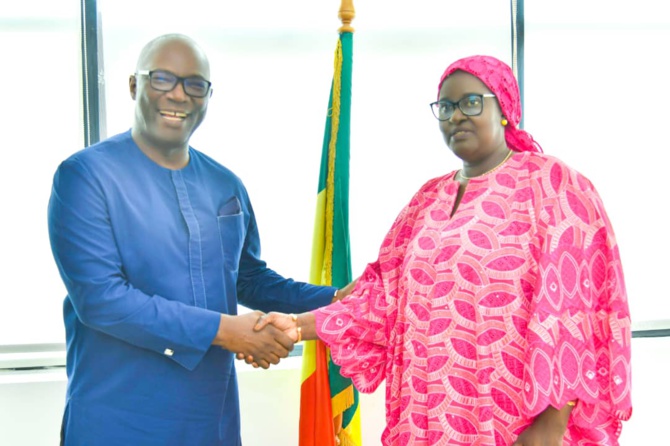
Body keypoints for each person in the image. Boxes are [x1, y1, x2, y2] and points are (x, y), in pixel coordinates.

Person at [251, 55, 633, 445]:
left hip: (511, 420)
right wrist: (298, 326)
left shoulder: (552, 184)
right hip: (428, 411)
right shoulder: (427, 198)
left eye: (471, 102)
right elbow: (380, 298)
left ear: (504, 107)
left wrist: (548, 429)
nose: (456, 116)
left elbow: (575, 313)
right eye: (446, 107)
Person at [47, 33, 344, 446]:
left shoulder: (226, 184)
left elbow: (247, 280)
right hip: (117, 418)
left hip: (211, 417)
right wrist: (227, 331)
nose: (179, 95)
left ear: (207, 96)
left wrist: (336, 301)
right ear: (134, 86)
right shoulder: (85, 177)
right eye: (162, 79)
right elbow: (101, 300)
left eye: (194, 84)